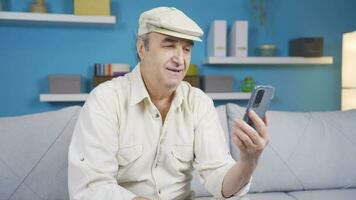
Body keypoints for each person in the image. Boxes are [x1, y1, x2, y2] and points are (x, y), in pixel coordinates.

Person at [68, 7, 270, 200]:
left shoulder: (199, 103)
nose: (180, 60)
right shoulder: (105, 100)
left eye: (186, 49)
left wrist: (248, 162)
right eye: (169, 45)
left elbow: (218, 177)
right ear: (141, 48)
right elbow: (92, 189)